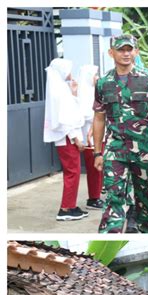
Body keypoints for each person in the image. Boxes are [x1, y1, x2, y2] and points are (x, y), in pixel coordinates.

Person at [93, 34, 148, 234]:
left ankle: (147, 233)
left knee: (146, 200)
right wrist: (97, 152)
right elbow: (99, 118)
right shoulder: (103, 83)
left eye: (129, 49)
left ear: (135, 52)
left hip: (143, 150)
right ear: (112, 53)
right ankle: (110, 237)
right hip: (115, 150)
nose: (126, 54)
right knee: (114, 198)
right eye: (121, 50)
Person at [43, 58, 89, 222]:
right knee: (72, 172)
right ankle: (65, 209)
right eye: (69, 69)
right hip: (67, 138)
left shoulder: (62, 88)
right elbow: (64, 119)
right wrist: (76, 138)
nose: (71, 72)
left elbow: (72, 111)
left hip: (68, 138)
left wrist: (74, 92)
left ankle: (70, 205)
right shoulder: (58, 92)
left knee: (74, 172)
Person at [77, 64, 104, 210]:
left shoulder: (95, 92)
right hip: (90, 140)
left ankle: (98, 194)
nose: (97, 77)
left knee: (99, 168)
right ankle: (93, 198)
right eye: (95, 75)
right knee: (94, 169)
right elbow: (88, 116)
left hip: (98, 137)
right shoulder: (84, 95)